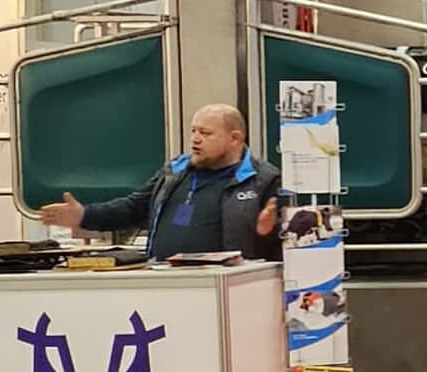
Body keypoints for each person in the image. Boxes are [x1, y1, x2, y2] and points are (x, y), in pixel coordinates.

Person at [36, 104, 282, 263]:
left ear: (235, 138)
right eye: (193, 131)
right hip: (164, 285)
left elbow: (283, 246)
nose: (195, 139)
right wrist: (84, 216)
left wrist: (267, 233)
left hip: (226, 291)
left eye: (205, 133)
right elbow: (132, 208)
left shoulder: (263, 179)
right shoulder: (174, 171)